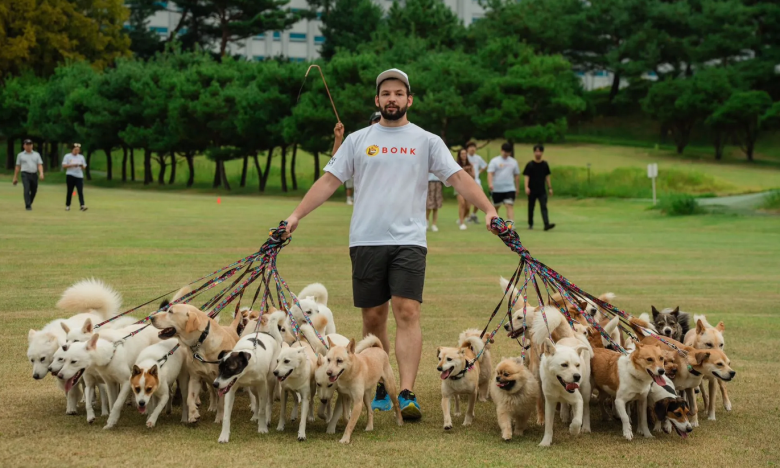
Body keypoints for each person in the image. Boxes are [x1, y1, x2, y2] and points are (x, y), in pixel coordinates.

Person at [282, 68, 498, 421]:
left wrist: (489, 209)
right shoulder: (357, 139)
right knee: (373, 316)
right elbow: (328, 181)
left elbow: (458, 177)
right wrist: (295, 216)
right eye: (386, 94)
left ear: (409, 99)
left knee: (408, 311)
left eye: (399, 93)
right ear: (377, 100)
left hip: (409, 240)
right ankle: (381, 381)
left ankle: (408, 391)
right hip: (366, 239)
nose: (392, 99)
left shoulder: (426, 140)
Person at [336, 112, 381, 205]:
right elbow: (336, 160)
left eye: (381, 120)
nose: (378, 122)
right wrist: (338, 138)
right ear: (370, 123)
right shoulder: (360, 140)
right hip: (365, 202)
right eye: (376, 120)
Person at [487, 142, 520, 229]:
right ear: (501, 151)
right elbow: (490, 173)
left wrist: (517, 188)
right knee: (496, 207)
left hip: (509, 188)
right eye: (505, 152)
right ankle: (495, 223)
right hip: (497, 188)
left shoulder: (513, 162)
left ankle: (511, 224)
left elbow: (517, 175)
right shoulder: (494, 161)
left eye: (508, 152)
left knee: (509, 205)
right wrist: (490, 184)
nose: (506, 154)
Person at [523, 144, 555, 231]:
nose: (538, 153)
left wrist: (550, 187)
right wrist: (526, 187)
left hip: (541, 190)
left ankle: (546, 224)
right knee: (531, 207)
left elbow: (547, 177)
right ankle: (530, 223)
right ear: (534, 152)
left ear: (542, 152)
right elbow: (526, 176)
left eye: (539, 151)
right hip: (532, 189)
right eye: (536, 151)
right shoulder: (530, 164)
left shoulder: (545, 164)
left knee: (544, 206)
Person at [12, 139, 44, 211]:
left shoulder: (36, 154)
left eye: (30, 145)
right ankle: (28, 206)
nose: (29, 146)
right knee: (26, 189)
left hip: (34, 174)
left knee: (34, 190)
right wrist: (15, 177)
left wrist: (41, 173)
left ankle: (29, 202)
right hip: (25, 174)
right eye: (27, 145)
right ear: (24, 146)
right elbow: (18, 166)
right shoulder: (20, 155)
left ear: (32, 145)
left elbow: (39, 165)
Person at [465, 141, 487, 224]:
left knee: (480, 198)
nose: (472, 149)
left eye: (474, 147)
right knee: (467, 201)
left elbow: (484, 165)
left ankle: (473, 215)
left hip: (476, 181)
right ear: (467, 149)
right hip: (466, 182)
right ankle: (465, 217)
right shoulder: (465, 157)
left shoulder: (478, 158)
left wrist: (478, 172)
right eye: (471, 147)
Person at [62, 143, 88, 212]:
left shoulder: (81, 157)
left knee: (80, 191)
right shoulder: (67, 156)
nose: (77, 151)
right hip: (70, 175)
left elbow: (84, 167)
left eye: (78, 150)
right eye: (75, 150)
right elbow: (64, 165)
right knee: (70, 191)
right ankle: (68, 205)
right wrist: (73, 165)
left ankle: (82, 205)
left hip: (79, 176)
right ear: (72, 150)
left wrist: (81, 165)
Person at [455, 148, 475, 230]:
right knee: (462, 203)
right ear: (459, 155)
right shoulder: (456, 165)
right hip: (459, 186)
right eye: (462, 154)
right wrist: (463, 170)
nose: (463, 155)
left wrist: (469, 170)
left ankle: (461, 219)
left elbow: (474, 176)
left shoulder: (470, 165)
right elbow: (456, 176)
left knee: (468, 207)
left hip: (468, 187)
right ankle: (462, 223)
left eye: (465, 154)